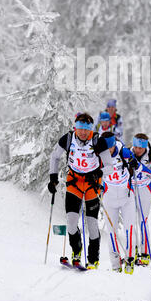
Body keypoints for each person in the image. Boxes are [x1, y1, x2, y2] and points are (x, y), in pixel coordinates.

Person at [48, 112, 114, 270]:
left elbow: (109, 166)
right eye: (80, 129)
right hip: (75, 182)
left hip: (92, 184)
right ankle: (76, 252)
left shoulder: (98, 140)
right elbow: (54, 157)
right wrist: (53, 178)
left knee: (92, 224)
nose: (83, 133)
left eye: (86, 129)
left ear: (90, 129)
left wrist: (98, 173)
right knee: (71, 222)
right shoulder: (68, 138)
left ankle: (93, 259)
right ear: (75, 128)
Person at [100, 131, 137, 274]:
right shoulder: (99, 155)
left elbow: (137, 165)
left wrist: (134, 163)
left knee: (129, 230)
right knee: (111, 233)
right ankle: (115, 264)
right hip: (109, 198)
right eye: (105, 148)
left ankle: (129, 260)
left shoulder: (124, 151)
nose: (108, 151)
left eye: (110, 148)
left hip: (127, 197)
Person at [130, 133, 151, 266]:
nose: (137, 150)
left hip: (144, 189)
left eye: (140, 148)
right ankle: (133, 250)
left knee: (143, 220)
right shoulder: (128, 152)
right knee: (130, 220)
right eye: (135, 147)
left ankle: (145, 252)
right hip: (130, 189)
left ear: (145, 147)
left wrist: (142, 168)